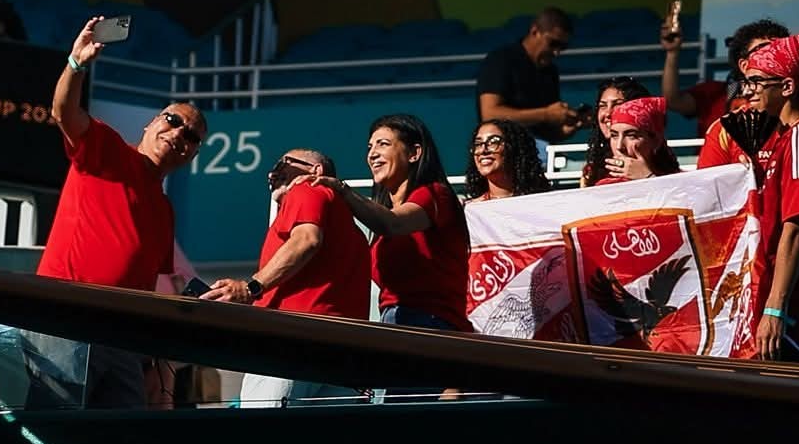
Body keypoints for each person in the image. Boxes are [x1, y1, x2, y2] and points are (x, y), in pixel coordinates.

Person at [32, 16, 202, 408]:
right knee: (54, 426)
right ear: (150, 124)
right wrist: (76, 63)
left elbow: (151, 287)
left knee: (120, 434)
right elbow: (63, 112)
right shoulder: (107, 149)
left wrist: (154, 360)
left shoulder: (164, 209)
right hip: (67, 318)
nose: (179, 133)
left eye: (192, 136)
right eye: (173, 120)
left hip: (122, 338)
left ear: (192, 154)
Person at [712, 34, 799, 363]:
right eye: (746, 82)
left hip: (795, 309)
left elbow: (795, 229)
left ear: (786, 87)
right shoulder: (785, 139)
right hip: (781, 302)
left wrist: (774, 308)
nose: (747, 91)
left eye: (757, 82)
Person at [203, 148, 367, 407]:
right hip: (344, 353)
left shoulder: (307, 188)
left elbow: (307, 240)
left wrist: (250, 287)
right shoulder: (350, 229)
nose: (273, 173)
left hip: (293, 341)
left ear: (316, 171)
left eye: (284, 164)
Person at [696, 22, 799, 236]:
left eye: (779, 49)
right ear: (745, 66)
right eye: (763, 51)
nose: (772, 55)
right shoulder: (723, 129)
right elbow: (707, 205)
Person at [314, 113, 469, 333]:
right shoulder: (382, 219)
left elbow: (392, 224)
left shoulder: (435, 194)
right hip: (394, 321)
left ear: (414, 153)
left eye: (383, 144)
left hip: (431, 325)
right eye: (370, 147)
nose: (372, 154)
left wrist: (341, 189)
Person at [474, 8, 584, 157]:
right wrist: (546, 114)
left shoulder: (550, 71)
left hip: (538, 151)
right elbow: (490, 115)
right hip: (505, 151)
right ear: (534, 31)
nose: (557, 52)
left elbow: (546, 131)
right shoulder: (501, 60)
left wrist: (568, 128)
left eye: (562, 47)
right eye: (553, 43)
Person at [666, 17, 787, 132]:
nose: (762, 60)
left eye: (769, 52)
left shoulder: (789, 96)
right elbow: (673, 101)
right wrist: (672, 52)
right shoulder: (715, 93)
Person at [578, 75, 647, 187]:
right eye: (603, 106)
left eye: (618, 104)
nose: (607, 113)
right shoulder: (592, 170)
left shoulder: (658, 163)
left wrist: (647, 176)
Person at [596, 96, 680, 183]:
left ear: (656, 141)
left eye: (631, 136)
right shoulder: (605, 186)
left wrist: (647, 176)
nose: (619, 147)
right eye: (614, 135)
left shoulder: (680, 182)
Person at [464, 120, 549, 202]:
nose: (483, 150)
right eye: (478, 144)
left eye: (494, 142)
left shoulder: (543, 202)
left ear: (514, 148)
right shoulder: (470, 208)